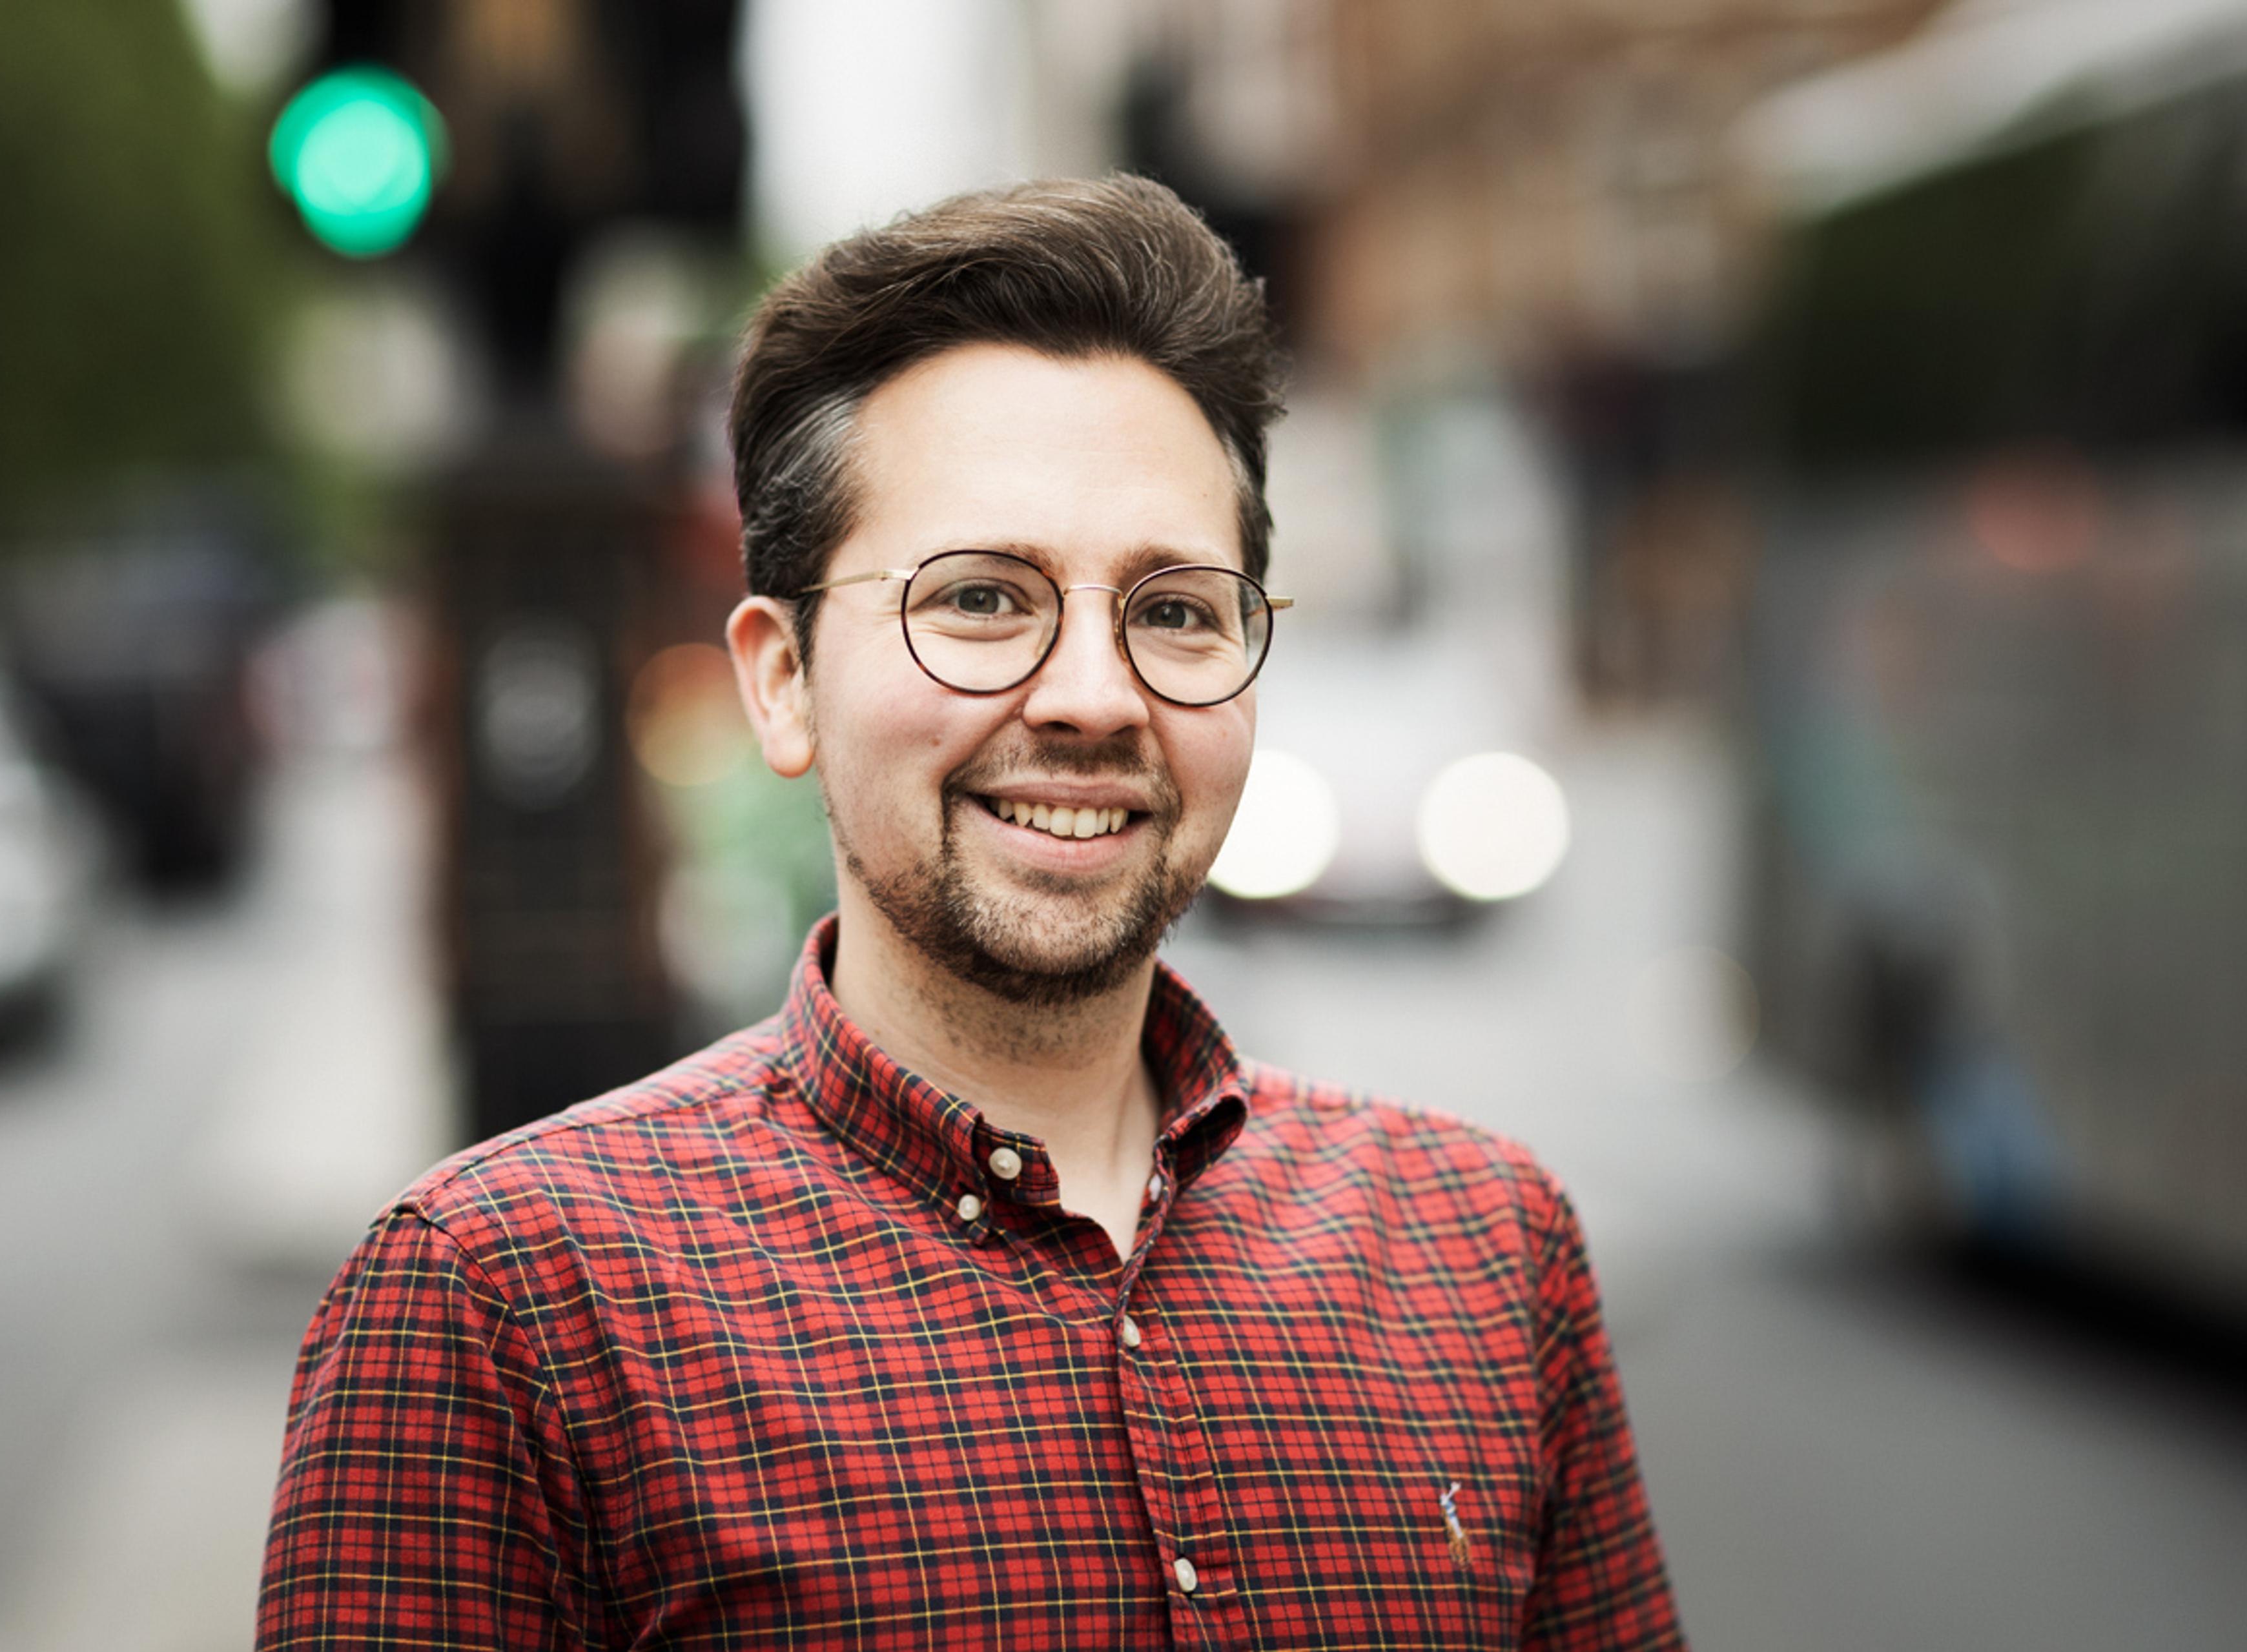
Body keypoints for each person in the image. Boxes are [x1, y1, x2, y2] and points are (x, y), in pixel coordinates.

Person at [258, 174, 1683, 1650]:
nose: (1090, 696)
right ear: (783, 677)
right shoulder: (503, 1310)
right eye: (984, 598)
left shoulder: (1489, 1248)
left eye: (1179, 609)